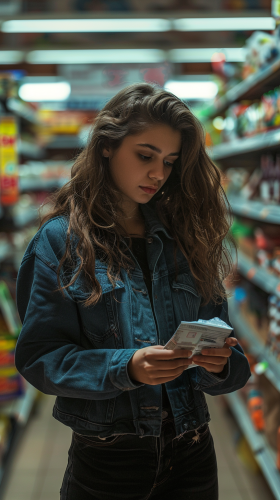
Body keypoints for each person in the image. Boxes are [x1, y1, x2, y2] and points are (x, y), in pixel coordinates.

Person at [15, 83, 251, 500]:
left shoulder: (184, 237)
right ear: (107, 146)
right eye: (145, 156)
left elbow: (231, 356)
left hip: (194, 453)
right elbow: (40, 358)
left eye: (170, 161)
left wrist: (219, 364)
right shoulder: (60, 242)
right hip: (109, 463)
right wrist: (128, 367)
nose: (158, 174)